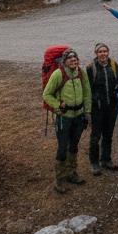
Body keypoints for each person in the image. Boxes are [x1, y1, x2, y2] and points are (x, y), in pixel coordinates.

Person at [42, 49, 91, 192]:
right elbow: (46, 94)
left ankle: (72, 173)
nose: (73, 61)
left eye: (75, 58)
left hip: (79, 115)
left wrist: (87, 111)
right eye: (70, 59)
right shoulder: (58, 74)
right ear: (64, 61)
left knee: (74, 146)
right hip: (64, 117)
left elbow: (87, 92)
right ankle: (60, 180)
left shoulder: (81, 73)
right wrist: (58, 105)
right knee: (62, 148)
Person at [85, 43, 118, 175]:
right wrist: (92, 103)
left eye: (105, 51)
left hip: (112, 106)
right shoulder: (91, 68)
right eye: (100, 51)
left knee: (108, 134)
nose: (103, 54)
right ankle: (94, 163)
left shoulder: (113, 64)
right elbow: (87, 88)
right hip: (97, 108)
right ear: (96, 53)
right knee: (95, 136)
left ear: (108, 52)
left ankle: (106, 159)